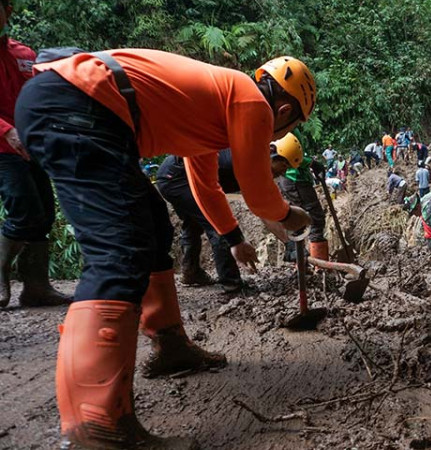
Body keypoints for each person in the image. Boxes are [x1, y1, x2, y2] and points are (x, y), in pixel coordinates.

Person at [15, 51, 314, 447]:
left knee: (153, 225)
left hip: (73, 105)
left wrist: (234, 236)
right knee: (120, 250)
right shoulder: (251, 102)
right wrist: (290, 216)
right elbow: (259, 194)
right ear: (284, 108)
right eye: (287, 127)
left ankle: (170, 344)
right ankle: (98, 425)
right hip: (78, 108)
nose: (275, 137)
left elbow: (204, 186)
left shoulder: (218, 105)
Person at [0, 0, 70, 308]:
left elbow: (38, 100)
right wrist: (7, 131)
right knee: (24, 211)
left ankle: (36, 287)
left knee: (44, 212)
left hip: (33, 146)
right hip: (2, 148)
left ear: (8, 9)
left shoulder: (25, 54)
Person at [156, 149, 243, 293]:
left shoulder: (242, 162)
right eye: (283, 166)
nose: (282, 173)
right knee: (217, 225)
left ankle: (191, 271)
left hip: (171, 177)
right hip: (177, 178)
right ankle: (230, 281)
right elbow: (211, 194)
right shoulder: (236, 162)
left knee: (192, 224)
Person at [276, 133, 330, 261]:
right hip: (295, 177)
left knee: (301, 219)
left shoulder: (290, 126)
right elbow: (287, 155)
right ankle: (318, 266)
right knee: (315, 218)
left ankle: (304, 264)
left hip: (295, 176)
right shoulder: (286, 128)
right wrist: (311, 163)